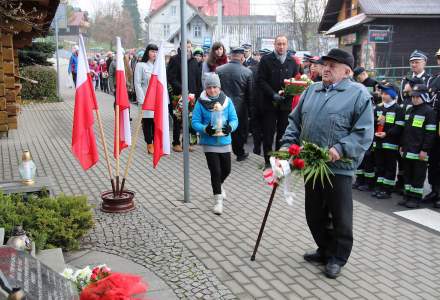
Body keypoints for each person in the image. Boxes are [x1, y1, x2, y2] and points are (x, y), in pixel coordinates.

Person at [280, 48, 374, 279]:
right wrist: (286, 144)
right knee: (314, 214)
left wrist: (340, 149)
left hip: (338, 167)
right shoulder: (312, 90)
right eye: (325, 64)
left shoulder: (358, 94)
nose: (326, 69)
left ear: (347, 71)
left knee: (340, 216)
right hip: (312, 164)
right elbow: (295, 121)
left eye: (332, 65)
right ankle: (324, 249)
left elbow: (363, 133)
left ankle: (337, 257)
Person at [191, 73, 238, 215]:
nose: (212, 90)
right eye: (209, 87)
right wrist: (205, 129)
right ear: (205, 88)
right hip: (209, 142)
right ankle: (218, 200)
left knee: (227, 170)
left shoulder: (227, 101)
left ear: (219, 87)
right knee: (215, 171)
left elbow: (234, 119)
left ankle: (219, 185)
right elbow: (195, 122)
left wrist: (230, 127)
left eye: (215, 87)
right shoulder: (200, 102)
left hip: (224, 141)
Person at [257, 35, 301, 168]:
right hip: (269, 103)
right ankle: (268, 160)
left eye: (283, 44)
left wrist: (293, 91)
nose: (281, 47)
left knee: (283, 133)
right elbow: (260, 80)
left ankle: (279, 159)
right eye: (278, 44)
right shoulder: (266, 60)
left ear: (287, 45)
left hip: (286, 104)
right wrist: (272, 94)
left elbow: (296, 80)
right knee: (268, 133)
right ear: (274, 45)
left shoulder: (292, 61)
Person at [399, 84, 437, 208]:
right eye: (413, 97)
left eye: (417, 97)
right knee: (408, 175)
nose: (414, 99)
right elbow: (406, 130)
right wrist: (402, 145)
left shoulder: (429, 112)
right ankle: (407, 196)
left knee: (418, 176)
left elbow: (430, 134)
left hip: (420, 151)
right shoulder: (409, 110)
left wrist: (424, 150)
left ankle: (415, 199)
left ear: (424, 96)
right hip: (408, 149)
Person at [216, 47, 253, 161]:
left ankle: (220, 153)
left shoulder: (219, 70)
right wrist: (251, 111)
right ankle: (239, 153)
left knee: (221, 128)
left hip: (222, 105)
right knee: (238, 131)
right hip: (240, 107)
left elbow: (214, 89)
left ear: (231, 56)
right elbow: (250, 94)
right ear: (242, 57)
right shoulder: (247, 72)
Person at [167, 40, 202, 152]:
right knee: (178, 119)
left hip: (192, 95)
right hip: (179, 95)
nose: (187, 49)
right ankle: (176, 143)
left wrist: (199, 93)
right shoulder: (175, 59)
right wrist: (182, 88)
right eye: (185, 47)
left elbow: (198, 79)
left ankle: (188, 143)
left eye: (189, 47)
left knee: (191, 119)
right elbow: (171, 78)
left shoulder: (194, 61)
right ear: (181, 47)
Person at [372, 81, 405, 199]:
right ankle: (379, 186)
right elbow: (373, 123)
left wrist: (386, 133)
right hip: (379, 142)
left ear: (392, 95)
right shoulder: (379, 107)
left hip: (390, 144)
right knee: (380, 166)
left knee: (389, 167)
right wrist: (377, 126)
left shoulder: (398, 109)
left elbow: (399, 127)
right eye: (382, 93)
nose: (383, 95)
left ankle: (387, 190)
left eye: (386, 93)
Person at [134, 44, 158, 154]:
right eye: (152, 51)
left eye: (156, 52)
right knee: (147, 121)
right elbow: (137, 83)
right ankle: (149, 143)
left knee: (155, 122)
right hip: (146, 98)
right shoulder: (141, 65)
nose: (154, 54)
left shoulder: (157, 66)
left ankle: (155, 142)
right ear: (147, 52)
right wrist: (141, 100)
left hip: (156, 99)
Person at [250, 49, 271, 155]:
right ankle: (265, 150)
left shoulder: (252, 69)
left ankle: (257, 148)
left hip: (255, 103)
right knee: (266, 128)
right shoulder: (270, 70)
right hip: (266, 104)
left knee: (256, 128)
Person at [428, 49, 440, 207]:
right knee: (434, 160)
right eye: (438, 58)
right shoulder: (435, 79)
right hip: (435, 123)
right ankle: (435, 189)